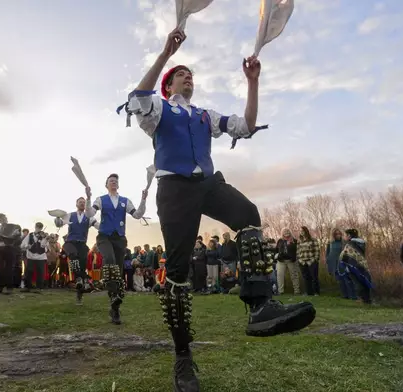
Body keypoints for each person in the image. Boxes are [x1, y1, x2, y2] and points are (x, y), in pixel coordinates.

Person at [121, 28, 316, 391]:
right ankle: (183, 357)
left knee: (249, 214)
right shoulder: (160, 108)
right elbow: (138, 95)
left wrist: (252, 82)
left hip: (208, 183)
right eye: (182, 74)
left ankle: (259, 306)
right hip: (175, 189)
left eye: (190, 74)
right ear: (169, 85)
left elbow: (246, 125)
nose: (188, 76)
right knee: (178, 272)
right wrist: (165, 54)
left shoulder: (203, 115)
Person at [84, 173, 147, 324]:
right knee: (110, 259)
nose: (113, 182)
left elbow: (137, 215)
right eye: (111, 181)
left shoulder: (125, 201)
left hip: (119, 239)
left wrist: (143, 199)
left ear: (118, 185)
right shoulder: (101, 199)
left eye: (115, 181)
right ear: (107, 185)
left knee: (118, 271)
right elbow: (90, 213)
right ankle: (110, 288)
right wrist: (88, 198)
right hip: (104, 237)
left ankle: (115, 305)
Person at [60, 197, 99, 304]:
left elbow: (98, 226)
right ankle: (84, 278)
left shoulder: (89, 217)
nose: (82, 204)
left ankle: (79, 293)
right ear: (76, 204)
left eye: (84, 202)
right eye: (80, 202)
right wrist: (58, 221)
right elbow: (61, 222)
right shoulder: (70, 215)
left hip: (82, 244)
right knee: (73, 255)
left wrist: (107, 228)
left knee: (82, 265)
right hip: (70, 242)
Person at [339, 229, 373, 304]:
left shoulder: (350, 244)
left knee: (357, 282)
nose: (344, 237)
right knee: (363, 281)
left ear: (349, 236)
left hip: (353, 266)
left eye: (345, 235)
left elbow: (344, 256)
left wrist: (343, 264)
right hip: (362, 265)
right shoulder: (362, 243)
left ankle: (361, 299)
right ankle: (367, 299)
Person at [326, 229, 356, 300]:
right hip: (333, 264)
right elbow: (327, 253)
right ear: (333, 235)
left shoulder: (344, 242)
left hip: (342, 263)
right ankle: (344, 296)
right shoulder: (330, 243)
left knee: (347, 280)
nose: (338, 235)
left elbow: (348, 253)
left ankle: (352, 296)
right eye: (336, 234)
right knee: (340, 281)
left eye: (339, 233)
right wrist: (328, 261)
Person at [21, 222, 48, 293]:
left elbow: (44, 246)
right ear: (35, 227)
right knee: (28, 272)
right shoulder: (30, 235)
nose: (38, 229)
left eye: (40, 228)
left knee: (41, 272)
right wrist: (27, 246)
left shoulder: (44, 236)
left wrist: (45, 240)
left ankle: (39, 287)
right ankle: (27, 287)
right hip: (31, 256)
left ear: (42, 228)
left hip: (41, 257)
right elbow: (22, 245)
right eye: (37, 227)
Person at [275, 228, 299, 295]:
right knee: (280, 275)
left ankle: (297, 290)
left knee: (294, 275)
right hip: (281, 261)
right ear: (282, 233)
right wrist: (277, 256)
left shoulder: (294, 240)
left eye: (288, 231)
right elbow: (276, 250)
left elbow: (297, 249)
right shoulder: (280, 240)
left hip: (291, 261)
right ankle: (280, 291)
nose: (286, 232)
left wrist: (291, 244)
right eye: (284, 231)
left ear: (290, 232)